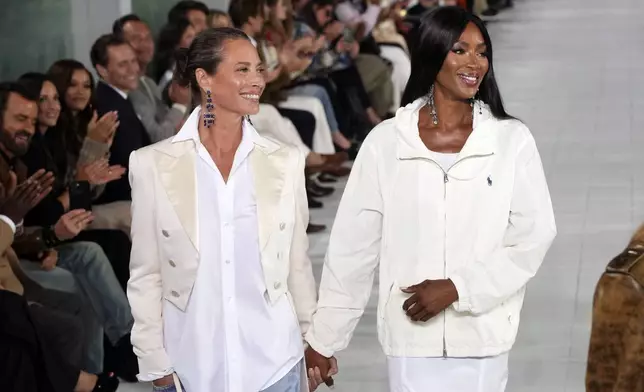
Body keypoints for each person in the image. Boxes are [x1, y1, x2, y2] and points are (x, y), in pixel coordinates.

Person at [304, 7, 556, 391]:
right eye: (460, 50)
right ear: (432, 54)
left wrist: (458, 288)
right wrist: (324, 340)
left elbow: (533, 237)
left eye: (482, 52)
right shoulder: (386, 143)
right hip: (411, 337)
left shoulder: (510, 140)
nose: (475, 62)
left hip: (482, 337)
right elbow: (353, 250)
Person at [127, 28, 327, 392]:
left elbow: (297, 264)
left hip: (275, 363)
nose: (256, 81)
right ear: (204, 78)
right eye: (242, 70)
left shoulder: (285, 162)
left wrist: (312, 341)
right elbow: (146, 273)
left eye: (259, 70)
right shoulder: (152, 165)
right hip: (191, 367)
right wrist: (152, 358)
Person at [113, 14, 191, 143]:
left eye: (148, 37)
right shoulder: (128, 89)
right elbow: (158, 138)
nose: (146, 44)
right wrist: (180, 104)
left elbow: (174, 125)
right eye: (137, 39)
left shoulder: (148, 82)